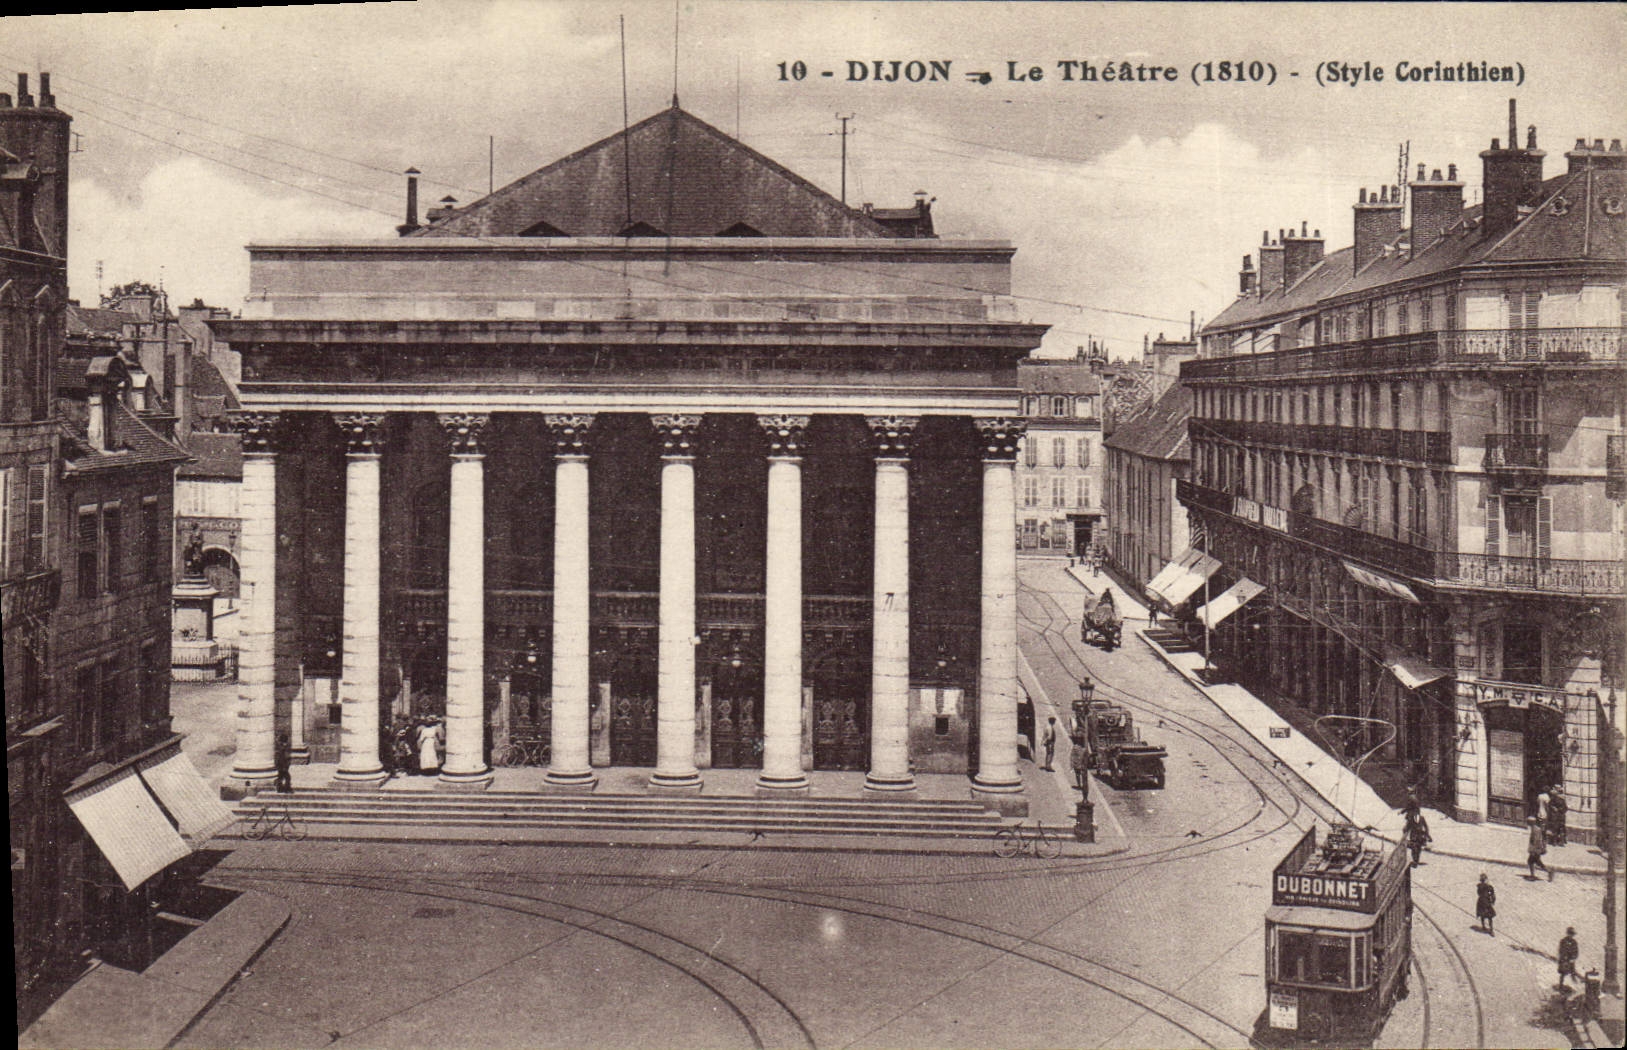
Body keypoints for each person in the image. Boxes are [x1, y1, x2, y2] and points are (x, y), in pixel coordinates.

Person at [1527, 816, 1552, 881]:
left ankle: (1533, 876)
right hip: (1536, 849)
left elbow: (1537, 841)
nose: (1527, 823)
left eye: (1528, 822)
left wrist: (1534, 850)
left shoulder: (1536, 829)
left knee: (1531, 861)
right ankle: (1549, 871)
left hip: (1536, 849)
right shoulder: (1534, 828)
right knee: (1536, 862)